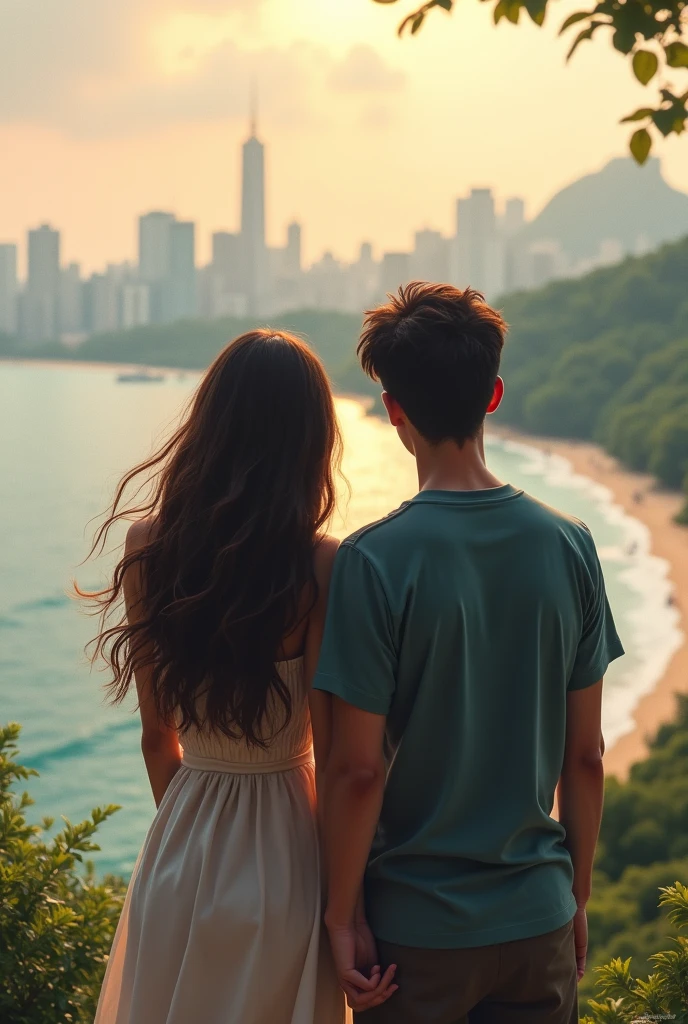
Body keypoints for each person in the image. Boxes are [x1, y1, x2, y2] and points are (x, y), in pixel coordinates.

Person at [315, 283, 624, 1024]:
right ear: (494, 394)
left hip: (415, 939)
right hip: (537, 922)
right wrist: (574, 895)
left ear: (393, 410)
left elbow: (358, 771)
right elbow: (584, 757)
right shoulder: (570, 543)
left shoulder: (373, 561)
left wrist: (341, 914)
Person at [84, 331, 396, 1024]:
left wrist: (195, 842)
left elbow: (155, 741)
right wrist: (349, 915)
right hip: (285, 854)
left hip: (180, 852)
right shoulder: (321, 566)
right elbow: (341, 754)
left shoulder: (146, 548)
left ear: (209, 425)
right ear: (311, 440)